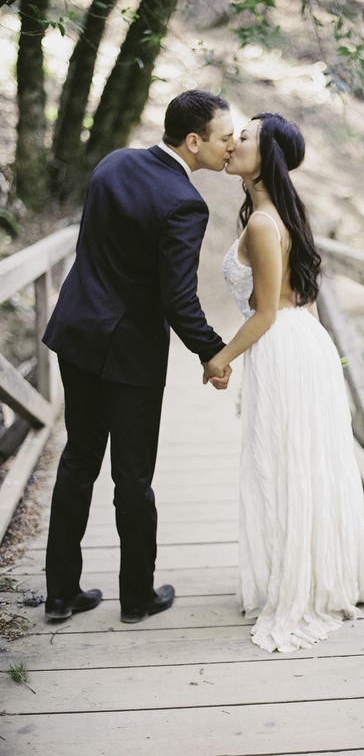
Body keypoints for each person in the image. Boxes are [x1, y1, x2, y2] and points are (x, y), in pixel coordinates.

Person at [43, 90, 234, 625]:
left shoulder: (114, 163)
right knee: (132, 478)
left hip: (78, 333)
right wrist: (213, 352)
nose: (229, 147)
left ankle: (60, 595)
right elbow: (178, 299)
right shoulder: (185, 202)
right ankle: (136, 598)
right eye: (223, 137)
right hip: (129, 356)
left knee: (79, 461)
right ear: (193, 142)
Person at [204, 112, 364, 653]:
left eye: (247, 137)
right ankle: (317, 572)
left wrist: (220, 359)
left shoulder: (263, 223)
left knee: (284, 464)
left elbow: (263, 313)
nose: (235, 141)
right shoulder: (271, 213)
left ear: (270, 157)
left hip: (283, 346)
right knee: (298, 463)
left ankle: (305, 581)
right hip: (297, 342)